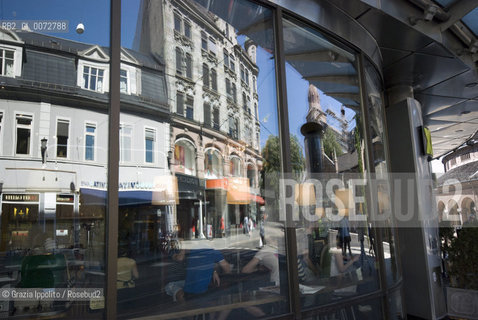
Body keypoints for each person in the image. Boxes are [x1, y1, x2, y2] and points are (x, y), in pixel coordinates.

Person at [165, 244, 231, 302]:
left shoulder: (194, 249)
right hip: (174, 282)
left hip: (187, 283)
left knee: (212, 298)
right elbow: (180, 258)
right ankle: (187, 313)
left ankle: (190, 313)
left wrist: (214, 271)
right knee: (181, 295)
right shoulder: (174, 249)